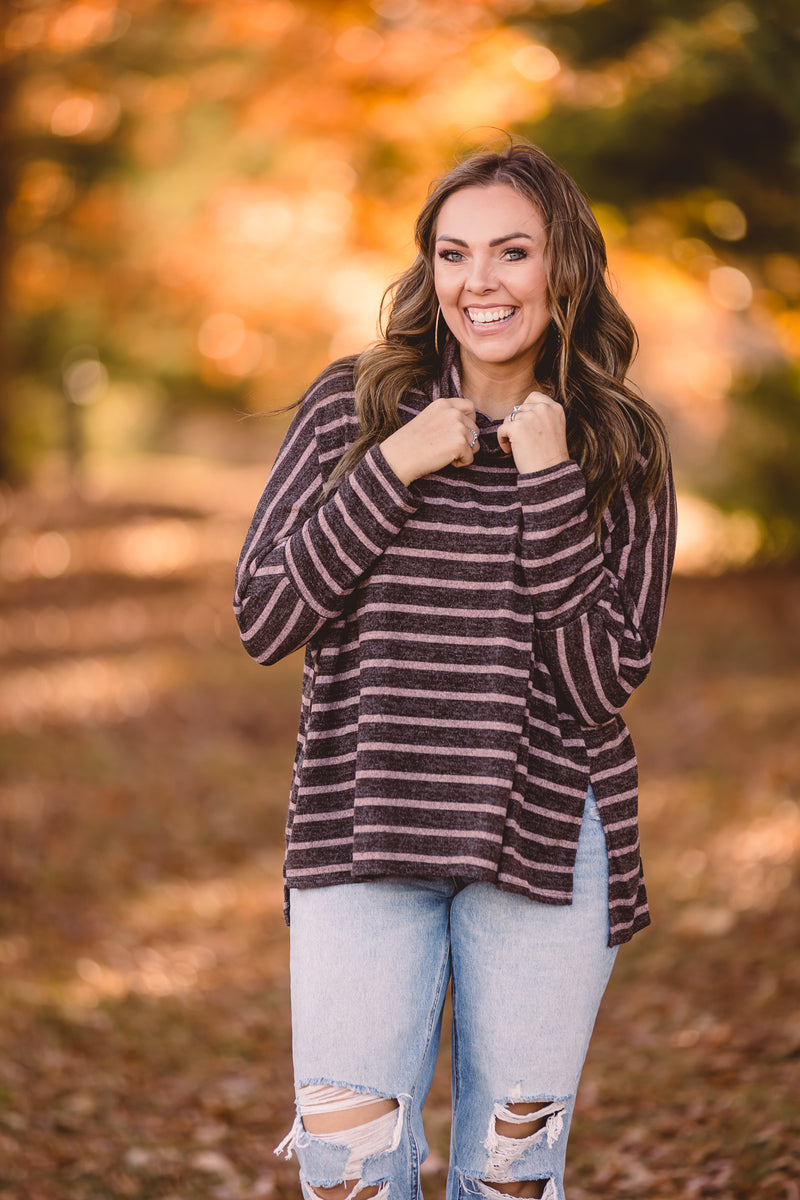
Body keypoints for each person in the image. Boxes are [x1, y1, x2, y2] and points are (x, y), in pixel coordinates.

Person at [234, 138, 676, 1200]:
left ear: (561, 269)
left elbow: (598, 679)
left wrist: (545, 479)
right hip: (361, 833)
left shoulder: (616, 445)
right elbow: (264, 615)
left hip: (538, 845)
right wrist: (395, 465)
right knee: (346, 1173)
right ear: (428, 269)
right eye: (453, 252)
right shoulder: (355, 406)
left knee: (509, 1179)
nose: (478, 281)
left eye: (510, 252)